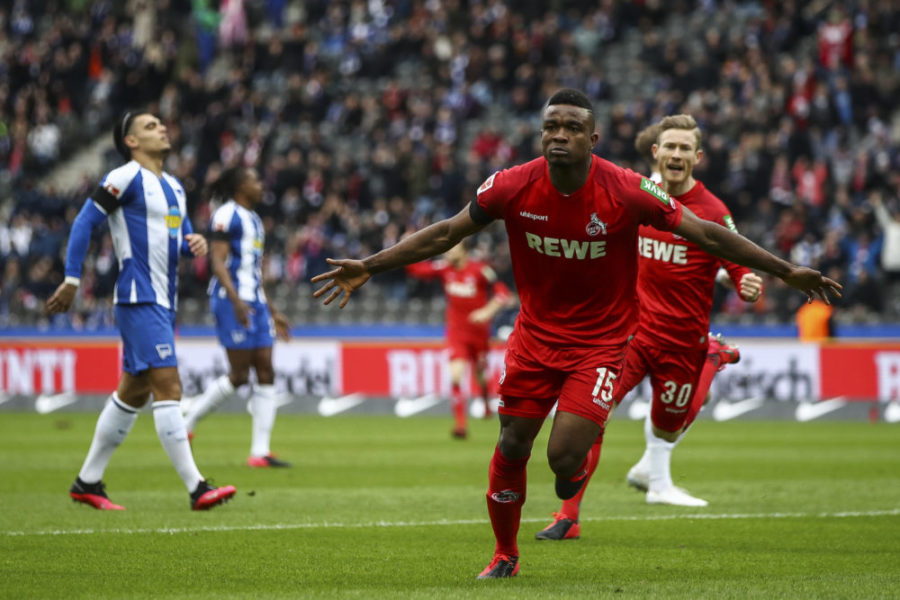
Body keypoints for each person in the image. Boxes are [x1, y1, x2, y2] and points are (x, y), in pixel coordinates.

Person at [310, 89, 840, 579]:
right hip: (533, 340)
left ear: (593, 138)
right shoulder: (512, 185)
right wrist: (370, 266)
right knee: (512, 442)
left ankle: (571, 482)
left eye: (571, 127)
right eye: (551, 127)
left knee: (564, 459)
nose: (559, 135)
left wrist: (785, 270)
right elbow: (448, 232)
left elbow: (706, 233)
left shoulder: (629, 190)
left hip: (602, 346)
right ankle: (505, 554)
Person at [535, 114, 765, 542]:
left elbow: (737, 261)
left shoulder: (713, 211)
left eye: (685, 149)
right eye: (669, 147)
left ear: (696, 158)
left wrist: (745, 281)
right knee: (593, 417)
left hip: (682, 340)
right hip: (628, 335)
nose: (676, 155)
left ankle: (711, 359)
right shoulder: (635, 196)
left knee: (667, 429)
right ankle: (567, 516)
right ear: (655, 152)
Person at [46, 111, 236, 511]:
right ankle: (197, 487)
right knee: (168, 385)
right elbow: (85, 221)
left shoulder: (175, 188)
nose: (162, 128)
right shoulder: (124, 177)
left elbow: (177, 237)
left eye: (161, 124)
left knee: (132, 392)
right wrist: (72, 278)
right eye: (150, 126)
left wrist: (193, 243)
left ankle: (87, 481)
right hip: (139, 296)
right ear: (130, 141)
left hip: (166, 302)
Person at [181, 166, 292, 466]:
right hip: (231, 301)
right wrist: (236, 301)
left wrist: (273, 311)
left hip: (255, 301)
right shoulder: (225, 215)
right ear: (239, 186)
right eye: (253, 179)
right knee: (240, 374)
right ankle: (187, 424)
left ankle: (260, 452)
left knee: (266, 369)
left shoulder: (254, 220)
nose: (259, 184)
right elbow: (217, 262)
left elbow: (253, 271)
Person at [405, 241, 513, 438]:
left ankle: (486, 404)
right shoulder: (444, 269)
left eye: (452, 249)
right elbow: (416, 270)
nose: (447, 253)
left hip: (479, 333)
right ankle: (460, 425)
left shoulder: (481, 270)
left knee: (480, 375)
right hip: (456, 333)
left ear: (464, 252)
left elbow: (502, 292)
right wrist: (408, 247)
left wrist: (487, 311)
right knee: (455, 376)